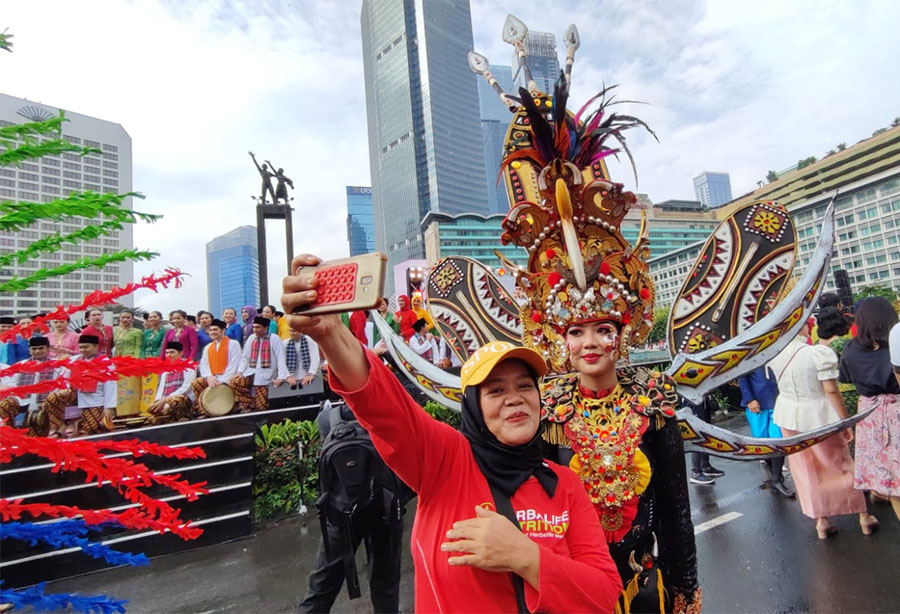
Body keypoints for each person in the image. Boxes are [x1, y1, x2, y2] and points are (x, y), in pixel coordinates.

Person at [283, 256, 623, 613]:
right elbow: (384, 405)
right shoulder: (445, 462)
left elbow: (604, 594)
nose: (515, 398)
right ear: (473, 407)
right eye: (495, 390)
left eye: (525, 385)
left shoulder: (565, 485)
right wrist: (331, 334)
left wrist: (526, 557)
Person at [769, 308, 878, 538]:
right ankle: (863, 515)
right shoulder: (816, 353)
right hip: (819, 415)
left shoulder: (774, 354)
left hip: (788, 415)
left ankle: (821, 521)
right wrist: (846, 421)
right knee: (840, 463)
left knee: (806, 469)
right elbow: (831, 390)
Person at [297, 399, 407, 613]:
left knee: (321, 586)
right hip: (384, 510)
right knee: (385, 585)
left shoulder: (326, 418)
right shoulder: (390, 412)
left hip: (341, 513)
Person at [838, 297, 900, 523]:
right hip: (896, 408)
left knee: (892, 483)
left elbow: (846, 378)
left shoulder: (850, 349)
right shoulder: (895, 345)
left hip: (870, 414)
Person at [43, 334, 117, 437]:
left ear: (96, 347)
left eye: (86, 347)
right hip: (74, 398)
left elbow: (111, 387)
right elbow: (62, 380)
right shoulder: (74, 360)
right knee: (52, 398)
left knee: (88, 431)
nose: (83, 350)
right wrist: (50, 399)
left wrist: (109, 408)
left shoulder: (106, 363)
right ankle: (59, 427)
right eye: (81, 347)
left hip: (94, 402)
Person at [738, 365, 793, 497]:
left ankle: (776, 478)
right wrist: (749, 399)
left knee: (777, 438)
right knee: (762, 439)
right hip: (757, 402)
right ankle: (773, 470)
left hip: (778, 399)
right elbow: (742, 375)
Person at [0, 337, 59, 432]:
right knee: (5, 404)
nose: (37, 351)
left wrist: (48, 400)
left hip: (49, 404)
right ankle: (7, 432)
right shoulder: (20, 365)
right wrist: (19, 402)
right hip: (24, 405)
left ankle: (56, 429)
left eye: (41, 348)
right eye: (34, 349)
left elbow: (61, 386)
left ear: (48, 349)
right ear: (29, 350)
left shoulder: (58, 365)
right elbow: (13, 386)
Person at [231, 316, 288, 412]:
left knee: (261, 407)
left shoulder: (274, 339)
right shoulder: (252, 338)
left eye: (258, 327)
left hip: (266, 376)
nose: (255, 330)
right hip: (250, 372)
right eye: (254, 327)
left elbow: (281, 358)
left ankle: (254, 405)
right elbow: (245, 357)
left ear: (266, 328)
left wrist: (281, 377)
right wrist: (240, 371)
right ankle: (250, 402)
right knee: (234, 382)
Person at [191, 319, 242, 411]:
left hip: (229, 377)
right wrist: (209, 377)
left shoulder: (233, 344)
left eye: (215, 330)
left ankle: (236, 406)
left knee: (237, 381)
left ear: (223, 330)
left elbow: (234, 364)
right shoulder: (208, 347)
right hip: (213, 378)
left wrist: (223, 380)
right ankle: (203, 409)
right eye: (211, 330)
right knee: (196, 383)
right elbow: (204, 364)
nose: (212, 332)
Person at [146, 341, 196, 425]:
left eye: (172, 352)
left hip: (183, 399)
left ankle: (183, 416)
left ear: (181, 353)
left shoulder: (189, 365)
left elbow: (186, 387)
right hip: (166, 400)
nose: (169, 355)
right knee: (151, 408)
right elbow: (161, 388)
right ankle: (166, 415)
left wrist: (166, 400)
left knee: (177, 402)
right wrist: (158, 401)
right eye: (167, 353)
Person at [682, 395, 726, 486]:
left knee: (706, 432)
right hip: (692, 399)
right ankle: (695, 472)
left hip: (702, 400)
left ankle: (705, 466)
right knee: (698, 434)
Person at [114, 310, 143, 416]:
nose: (125, 320)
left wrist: (135, 362)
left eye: (128, 317)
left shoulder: (137, 332)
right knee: (119, 388)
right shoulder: (116, 331)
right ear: (119, 319)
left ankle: (132, 412)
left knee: (131, 387)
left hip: (131, 362)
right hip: (118, 363)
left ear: (132, 319)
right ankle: (119, 412)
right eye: (123, 317)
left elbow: (138, 347)